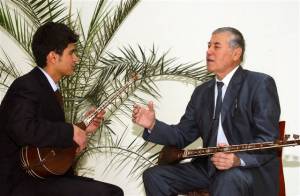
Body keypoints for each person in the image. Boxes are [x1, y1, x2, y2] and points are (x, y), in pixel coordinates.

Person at [132, 27, 281, 196]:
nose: (208, 51)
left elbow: (268, 140)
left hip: (249, 171)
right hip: (208, 168)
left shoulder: (259, 84)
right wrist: (152, 125)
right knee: (155, 176)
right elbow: (182, 135)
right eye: (208, 45)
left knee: (228, 179)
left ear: (236, 53)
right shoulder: (202, 92)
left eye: (216, 46)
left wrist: (238, 159)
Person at [0, 22, 123, 196]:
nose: (76, 59)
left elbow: (45, 139)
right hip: (19, 181)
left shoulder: (48, 88)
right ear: (53, 57)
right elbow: (22, 129)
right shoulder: (26, 85)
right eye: (71, 52)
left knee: (113, 191)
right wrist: (70, 132)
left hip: (44, 177)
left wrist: (82, 128)